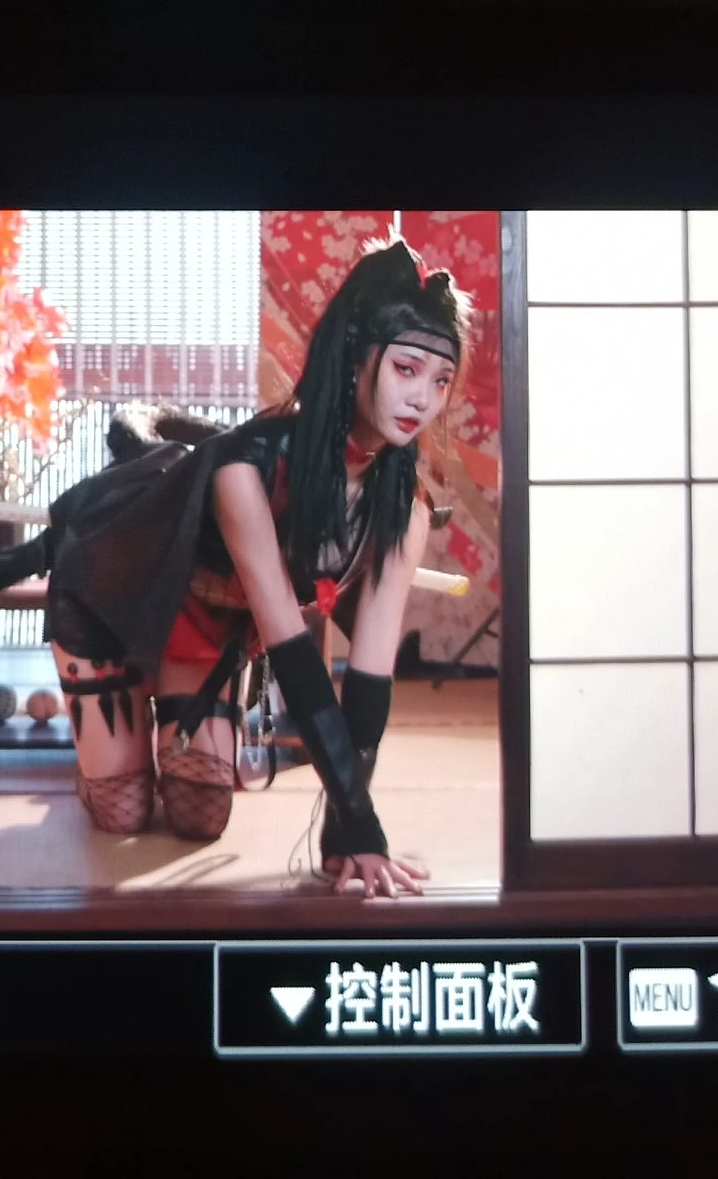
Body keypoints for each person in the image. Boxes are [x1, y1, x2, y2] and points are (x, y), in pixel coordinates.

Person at [43, 237, 474, 900]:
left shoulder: (403, 508)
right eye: (406, 368)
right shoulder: (246, 467)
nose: (422, 398)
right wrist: (366, 825)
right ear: (354, 358)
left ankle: (152, 729)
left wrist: (346, 834)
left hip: (204, 628)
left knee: (198, 815)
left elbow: (368, 681)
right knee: (122, 810)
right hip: (114, 601)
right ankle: (102, 754)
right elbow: (292, 651)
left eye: (440, 380)